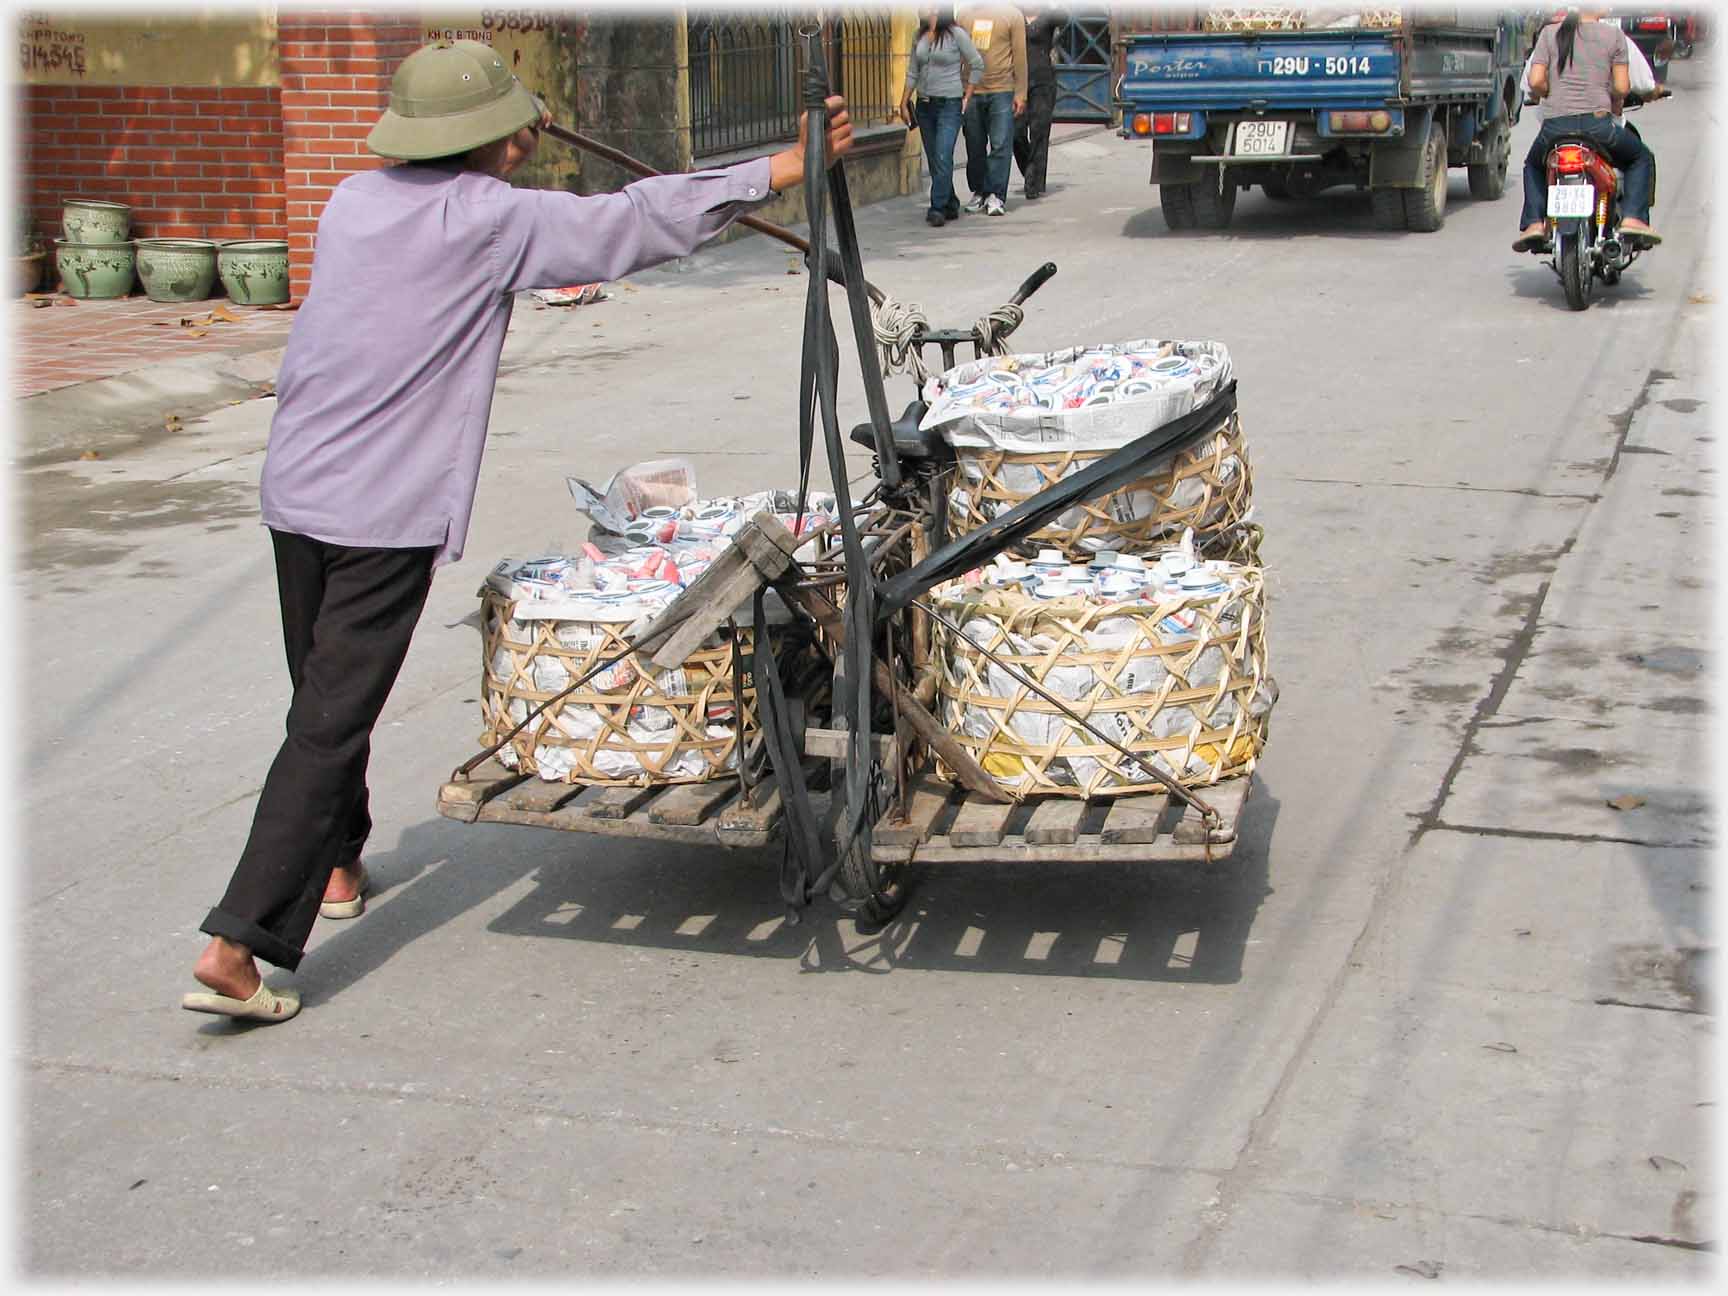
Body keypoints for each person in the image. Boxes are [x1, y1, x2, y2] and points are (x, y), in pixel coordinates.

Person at [181, 40, 854, 1025]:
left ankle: (334, 858)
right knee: (328, 718)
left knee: (322, 694)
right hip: (379, 511)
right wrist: (781, 169)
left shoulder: (354, 201)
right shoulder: (488, 220)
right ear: (492, 139)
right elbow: (625, 225)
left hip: (297, 487)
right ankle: (239, 942)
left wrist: (501, 150)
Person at [1513, 7, 1658, 253]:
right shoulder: (1613, 36)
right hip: (1597, 127)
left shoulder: (1549, 33)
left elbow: (1535, 82)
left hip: (1555, 129)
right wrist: (1603, 92)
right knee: (1640, 157)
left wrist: (1550, 93)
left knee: (1534, 165)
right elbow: (1622, 87)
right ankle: (1633, 218)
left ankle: (1535, 224)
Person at [898, 4, 984, 226]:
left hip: (949, 105)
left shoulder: (956, 34)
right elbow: (912, 71)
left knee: (944, 155)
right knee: (936, 159)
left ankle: (937, 207)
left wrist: (967, 95)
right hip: (924, 106)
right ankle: (951, 202)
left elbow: (976, 64)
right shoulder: (920, 35)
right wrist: (903, 102)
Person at [956, 1, 1028, 215]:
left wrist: (1021, 93)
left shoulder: (1012, 15)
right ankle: (979, 191)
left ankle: (996, 195)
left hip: (1002, 89)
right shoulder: (963, 15)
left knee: (1000, 144)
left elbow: (1020, 56)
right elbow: (957, 54)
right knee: (974, 145)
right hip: (970, 90)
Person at [1013, 1, 1067, 200]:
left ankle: (1032, 180)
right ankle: (1031, 171)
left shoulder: (1048, 16)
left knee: (1039, 131)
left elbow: (1066, 18)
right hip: (1017, 81)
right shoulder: (1013, 14)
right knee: (1015, 132)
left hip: (1043, 80)